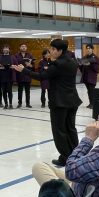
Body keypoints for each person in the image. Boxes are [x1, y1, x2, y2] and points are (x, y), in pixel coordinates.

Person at [15, 39, 82, 167]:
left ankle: (66, 157)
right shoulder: (72, 62)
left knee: (59, 131)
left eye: (52, 49)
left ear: (59, 51)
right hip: (72, 100)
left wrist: (23, 70)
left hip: (59, 102)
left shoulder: (58, 64)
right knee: (70, 129)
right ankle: (75, 154)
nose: (50, 52)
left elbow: (41, 76)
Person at [79, 45, 99, 110]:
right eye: (87, 48)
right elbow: (82, 67)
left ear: (92, 49)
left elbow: (96, 69)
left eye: (89, 48)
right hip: (85, 77)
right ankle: (91, 103)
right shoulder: (85, 57)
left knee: (92, 91)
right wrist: (80, 65)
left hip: (92, 77)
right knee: (89, 91)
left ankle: (93, 104)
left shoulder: (95, 57)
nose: (88, 49)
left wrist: (90, 65)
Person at [14, 43, 34, 108]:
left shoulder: (30, 55)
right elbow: (15, 64)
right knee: (20, 90)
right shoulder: (16, 55)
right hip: (20, 75)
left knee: (27, 91)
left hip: (27, 75)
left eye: (25, 46)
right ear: (20, 48)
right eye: (22, 46)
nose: (24, 47)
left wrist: (30, 65)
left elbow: (33, 66)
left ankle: (28, 103)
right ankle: (19, 103)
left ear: (26, 48)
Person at [0, 45, 14, 109]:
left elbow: (16, 65)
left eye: (7, 48)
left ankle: (10, 104)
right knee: (4, 91)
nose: (6, 49)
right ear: (3, 50)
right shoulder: (0, 57)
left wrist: (13, 67)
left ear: (9, 50)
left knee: (10, 91)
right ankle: (6, 104)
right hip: (2, 76)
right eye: (4, 48)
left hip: (10, 76)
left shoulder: (12, 57)